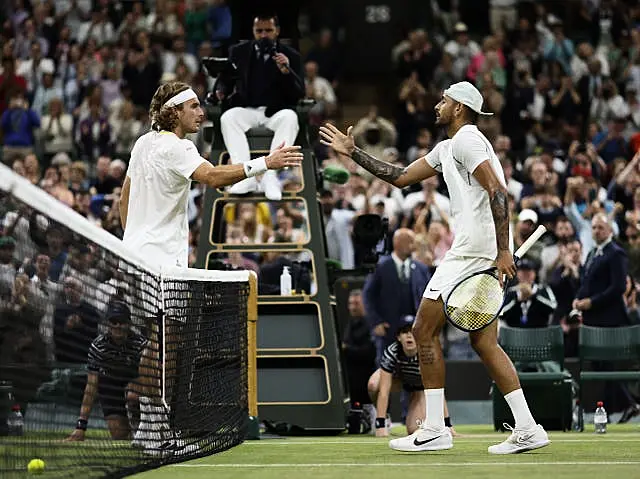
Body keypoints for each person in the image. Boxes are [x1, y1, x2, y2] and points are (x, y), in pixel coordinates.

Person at [320, 81, 550, 454]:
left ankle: (433, 428)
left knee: (422, 329)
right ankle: (527, 426)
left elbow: (497, 191)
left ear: (459, 108)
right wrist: (354, 153)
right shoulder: (448, 147)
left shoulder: (468, 140)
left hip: (474, 251)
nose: (437, 105)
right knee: (484, 342)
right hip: (479, 250)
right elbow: (398, 176)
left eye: (443, 100)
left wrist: (503, 250)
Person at [118, 81, 302, 455]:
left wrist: (133, 241)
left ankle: (146, 429)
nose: (202, 113)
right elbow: (214, 178)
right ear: (173, 113)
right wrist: (265, 163)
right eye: (194, 107)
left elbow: (125, 194)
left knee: (155, 342)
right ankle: (156, 432)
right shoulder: (179, 147)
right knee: (167, 344)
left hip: (133, 254)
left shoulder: (142, 143)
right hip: (162, 263)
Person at [215, 13, 304, 200]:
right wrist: (220, 91)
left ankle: (271, 177)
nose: (264, 35)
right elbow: (226, 80)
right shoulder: (238, 51)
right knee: (228, 118)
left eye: (268, 30)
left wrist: (286, 72)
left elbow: (299, 94)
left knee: (290, 118)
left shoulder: (291, 55)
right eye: (259, 30)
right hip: (248, 109)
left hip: (276, 112)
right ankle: (244, 175)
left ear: (277, 31)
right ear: (253, 31)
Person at [66, 301, 147, 442]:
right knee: (119, 435)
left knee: (133, 395)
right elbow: (91, 386)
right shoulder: (98, 346)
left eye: (121, 322)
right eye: (113, 322)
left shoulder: (140, 344)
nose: (117, 326)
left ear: (129, 323)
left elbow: (150, 376)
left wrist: (136, 385)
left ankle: (143, 426)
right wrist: (81, 426)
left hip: (135, 386)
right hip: (110, 388)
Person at [367, 317, 455, 438]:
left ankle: (430, 418)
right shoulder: (392, 352)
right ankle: (383, 418)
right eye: (404, 332)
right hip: (400, 381)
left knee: (414, 429)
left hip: (421, 387)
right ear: (399, 337)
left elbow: (438, 390)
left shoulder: (426, 353)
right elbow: (384, 391)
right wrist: (380, 425)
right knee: (373, 384)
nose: (409, 335)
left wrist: (448, 425)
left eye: (413, 331)